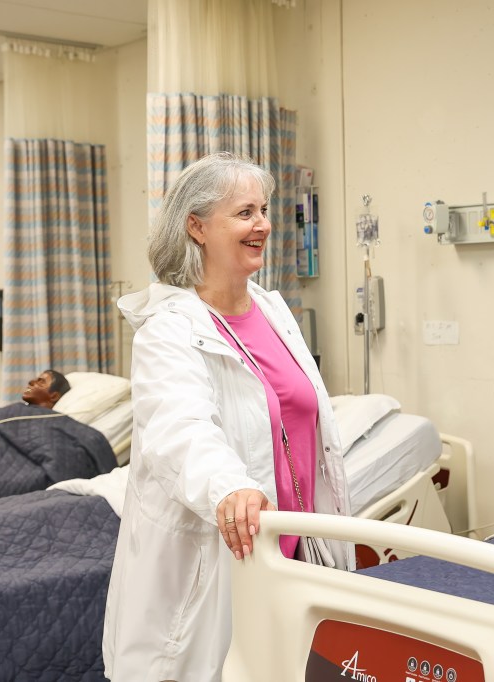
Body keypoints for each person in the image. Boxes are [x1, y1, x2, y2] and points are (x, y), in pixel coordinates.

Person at [102, 152, 354, 682]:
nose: (262, 224)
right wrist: (230, 488)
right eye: (244, 213)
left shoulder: (274, 312)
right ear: (196, 226)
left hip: (300, 557)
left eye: (263, 210)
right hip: (223, 560)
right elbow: (179, 430)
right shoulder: (167, 330)